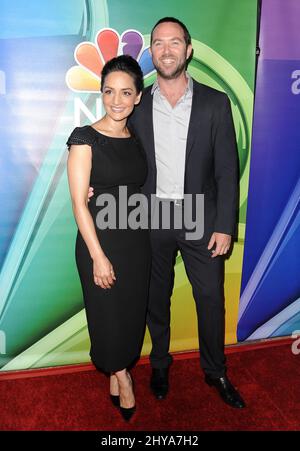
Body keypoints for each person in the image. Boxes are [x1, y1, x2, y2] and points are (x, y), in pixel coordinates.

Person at [90, 17, 245, 409]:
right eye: (158, 43)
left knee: (210, 298)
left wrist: (225, 225)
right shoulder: (137, 103)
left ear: (187, 50)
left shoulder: (216, 102)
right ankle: (160, 364)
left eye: (174, 42)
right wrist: (94, 184)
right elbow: (114, 148)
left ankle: (216, 371)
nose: (166, 49)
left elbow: (228, 170)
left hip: (201, 218)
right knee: (154, 298)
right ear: (151, 52)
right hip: (150, 216)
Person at [66, 55, 151, 421]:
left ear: (138, 97)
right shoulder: (84, 138)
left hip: (136, 242)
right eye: (109, 91)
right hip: (98, 243)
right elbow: (78, 204)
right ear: (101, 93)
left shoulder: (136, 136)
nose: (117, 100)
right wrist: (98, 256)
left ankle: (117, 372)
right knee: (107, 318)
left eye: (126, 92)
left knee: (130, 316)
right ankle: (123, 377)